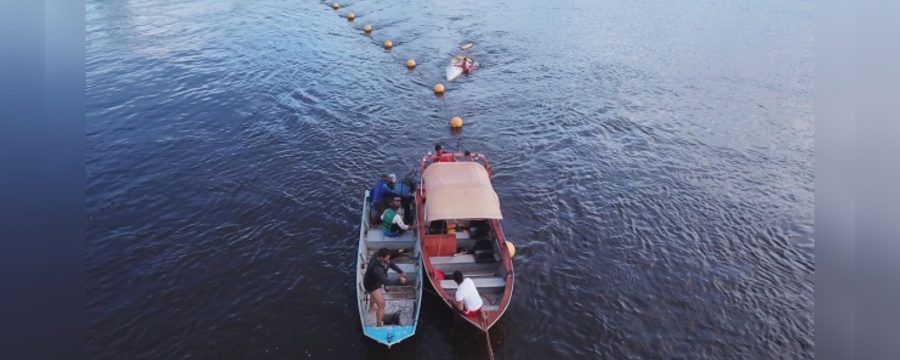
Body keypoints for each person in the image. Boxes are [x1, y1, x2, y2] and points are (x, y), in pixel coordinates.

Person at [364, 247, 408, 327]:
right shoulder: (377, 269)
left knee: (373, 296)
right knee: (381, 304)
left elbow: (390, 264)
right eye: (387, 258)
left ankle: (371, 308)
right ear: (381, 258)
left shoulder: (379, 256)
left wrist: (400, 271)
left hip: (373, 280)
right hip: (371, 285)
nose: (388, 260)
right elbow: (387, 281)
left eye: (389, 258)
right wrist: (399, 280)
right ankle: (379, 325)